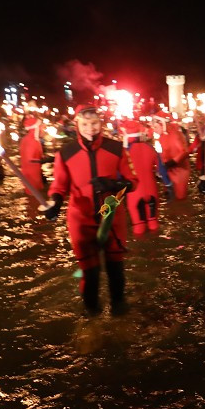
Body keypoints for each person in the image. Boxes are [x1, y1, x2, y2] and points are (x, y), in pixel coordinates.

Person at [42, 103, 139, 314]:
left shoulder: (115, 148)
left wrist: (114, 185)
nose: (90, 128)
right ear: (77, 124)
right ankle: (91, 317)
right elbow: (59, 185)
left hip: (112, 218)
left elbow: (133, 181)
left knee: (116, 270)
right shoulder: (66, 153)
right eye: (85, 123)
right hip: (81, 219)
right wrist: (55, 202)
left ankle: (120, 315)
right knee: (90, 273)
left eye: (94, 123)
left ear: (101, 123)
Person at [118, 119, 160, 235]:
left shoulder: (124, 152)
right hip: (152, 191)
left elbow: (118, 175)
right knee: (153, 224)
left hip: (134, 193)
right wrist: (169, 185)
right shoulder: (150, 148)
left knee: (139, 227)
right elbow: (161, 170)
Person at [152, 112, 190, 200]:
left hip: (180, 171)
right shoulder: (162, 137)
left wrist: (172, 162)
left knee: (180, 197)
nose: (154, 130)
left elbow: (184, 151)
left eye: (156, 127)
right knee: (170, 195)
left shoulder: (175, 135)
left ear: (163, 125)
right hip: (169, 170)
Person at [19, 115, 47, 197]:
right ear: (35, 128)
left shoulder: (30, 139)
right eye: (40, 127)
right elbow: (30, 159)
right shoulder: (31, 141)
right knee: (34, 198)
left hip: (32, 174)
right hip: (32, 176)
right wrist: (43, 160)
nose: (42, 129)